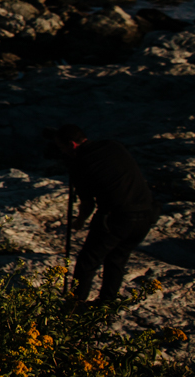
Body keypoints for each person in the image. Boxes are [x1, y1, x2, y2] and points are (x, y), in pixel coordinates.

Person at [50, 123, 158, 308]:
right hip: (146, 214)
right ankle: (106, 306)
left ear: (72, 145)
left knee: (88, 261)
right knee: (117, 258)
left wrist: (79, 222)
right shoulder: (112, 145)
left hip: (117, 217)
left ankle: (73, 308)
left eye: (62, 148)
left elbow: (88, 204)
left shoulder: (80, 164)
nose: (62, 152)